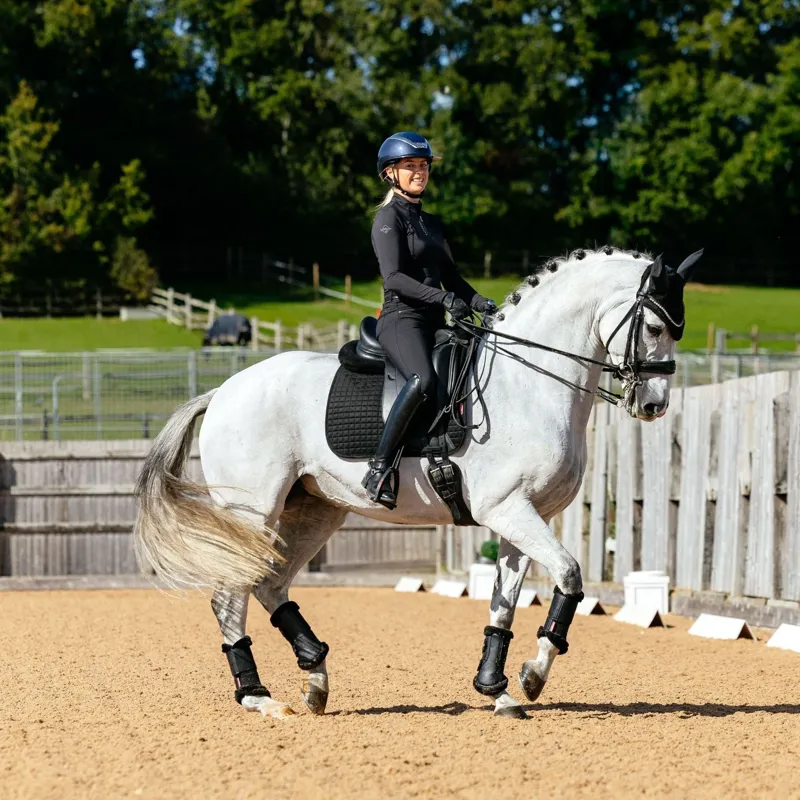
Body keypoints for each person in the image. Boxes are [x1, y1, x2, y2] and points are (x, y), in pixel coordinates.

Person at [362, 131, 497, 508]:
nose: (419, 172)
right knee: (422, 379)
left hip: (436, 318)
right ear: (390, 173)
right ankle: (379, 468)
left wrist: (481, 302)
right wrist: (443, 297)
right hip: (401, 318)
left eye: (423, 165)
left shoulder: (433, 223)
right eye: (410, 166)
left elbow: (451, 277)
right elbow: (393, 278)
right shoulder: (387, 218)